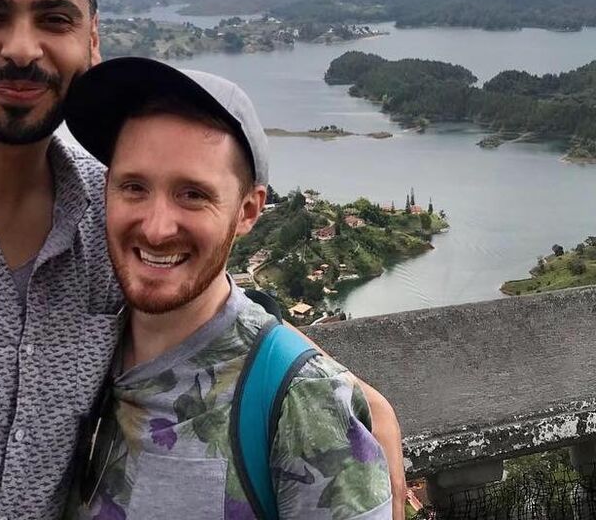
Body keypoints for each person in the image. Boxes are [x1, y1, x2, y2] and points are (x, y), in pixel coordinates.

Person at [0, 0, 404, 519]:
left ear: (92, 41)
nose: (21, 48)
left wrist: (348, 399)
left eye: (54, 20)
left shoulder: (113, 212)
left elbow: (214, 312)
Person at [63, 57, 393, 519]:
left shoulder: (303, 402)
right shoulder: (79, 348)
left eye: (193, 194)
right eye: (134, 187)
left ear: (248, 210)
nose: (156, 228)